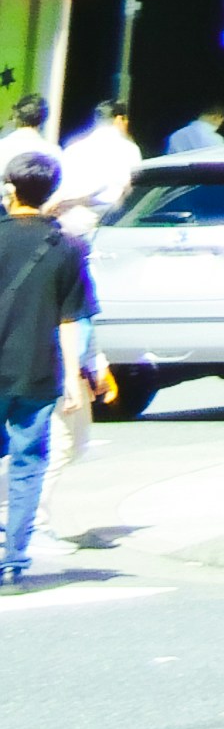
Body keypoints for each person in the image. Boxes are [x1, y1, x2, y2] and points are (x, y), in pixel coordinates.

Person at [0, 140, 80, 590]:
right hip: (37, 369)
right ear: (51, 191)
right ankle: (13, 559)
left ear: (11, 189)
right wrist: (72, 377)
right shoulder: (66, 246)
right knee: (29, 461)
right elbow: (70, 318)